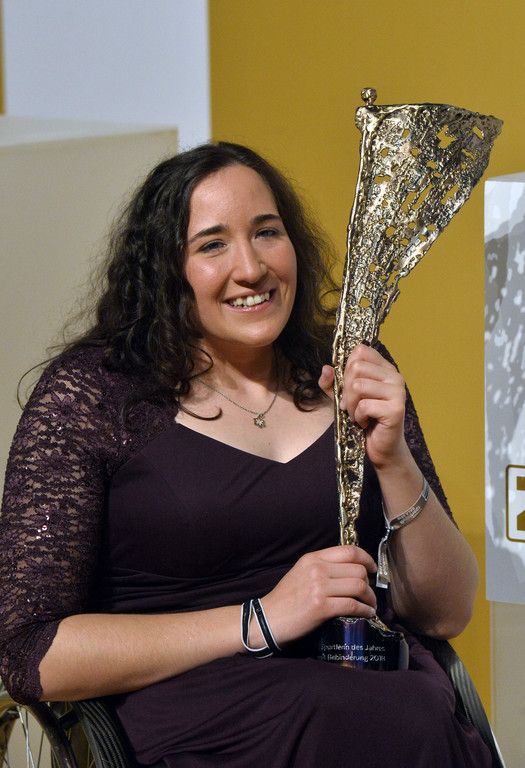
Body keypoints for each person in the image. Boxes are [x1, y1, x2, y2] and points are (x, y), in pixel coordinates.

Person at [0, 142, 491, 767]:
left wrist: (393, 460)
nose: (252, 267)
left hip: (385, 699)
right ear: (165, 268)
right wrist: (262, 618)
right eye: (212, 245)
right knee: (347, 714)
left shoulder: (347, 365)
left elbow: (446, 614)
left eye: (267, 232)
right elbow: (31, 655)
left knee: (406, 713)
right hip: (205, 719)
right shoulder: (93, 395)